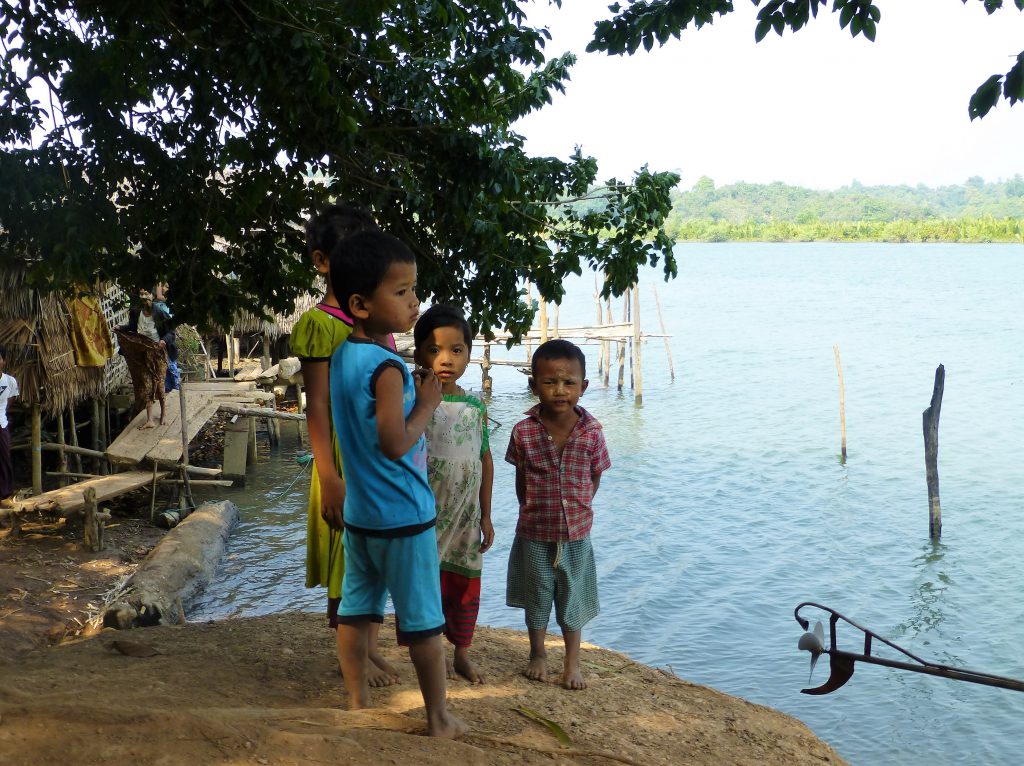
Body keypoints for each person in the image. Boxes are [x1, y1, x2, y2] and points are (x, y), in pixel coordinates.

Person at [329, 230, 466, 738]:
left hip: (362, 513)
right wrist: (426, 405)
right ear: (362, 304)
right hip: (405, 516)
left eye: (414, 289)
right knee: (424, 622)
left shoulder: (344, 356)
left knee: (357, 608)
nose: (414, 302)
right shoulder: (387, 367)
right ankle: (438, 717)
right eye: (403, 292)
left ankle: (357, 701)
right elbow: (393, 443)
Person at [290, 203, 398, 688]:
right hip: (341, 457)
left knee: (372, 554)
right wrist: (329, 476)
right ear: (322, 261)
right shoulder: (319, 325)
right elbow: (317, 408)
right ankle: (350, 655)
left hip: (374, 458)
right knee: (347, 558)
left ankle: (370, 649)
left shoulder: (379, 324)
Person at [505, 339, 611, 690]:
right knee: (537, 595)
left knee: (572, 597)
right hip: (534, 530)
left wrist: (579, 507)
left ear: (583, 386)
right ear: (534, 386)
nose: (560, 390)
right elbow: (521, 479)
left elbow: (595, 475)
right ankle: (537, 653)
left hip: (577, 534)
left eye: (569, 383)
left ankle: (571, 662)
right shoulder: (523, 431)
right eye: (549, 382)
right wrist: (529, 510)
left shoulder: (592, 432)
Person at [413, 305, 494, 683]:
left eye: (456, 350)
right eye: (434, 350)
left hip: (465, 516)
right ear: (418, 354)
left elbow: (484, 459)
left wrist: (486, 514)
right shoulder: (415, 401)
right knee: (429, 582)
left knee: (465, 581)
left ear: (468, 353)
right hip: (426, 512)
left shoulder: (475, 405)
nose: (446, 359)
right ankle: (435, 656)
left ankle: (462, 653)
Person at [115, 287, 176, 429]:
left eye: (146, 293)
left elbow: (171, 331)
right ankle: (149, 419)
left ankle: (163, 415)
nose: (143, 296)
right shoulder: (136, 312)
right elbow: (131, 326)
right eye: (141, 294)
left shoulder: (160, 313)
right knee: (146, 384)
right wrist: (120, 328)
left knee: (160, 385)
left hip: (158, 352)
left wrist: (164, 341)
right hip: (142, 352)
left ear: (152, 296)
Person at [0, 345, 19, 510]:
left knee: (4, 460)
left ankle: (5, 496)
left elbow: (11, 399)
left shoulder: (10, 381)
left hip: (1, 425)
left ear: (3, 361)